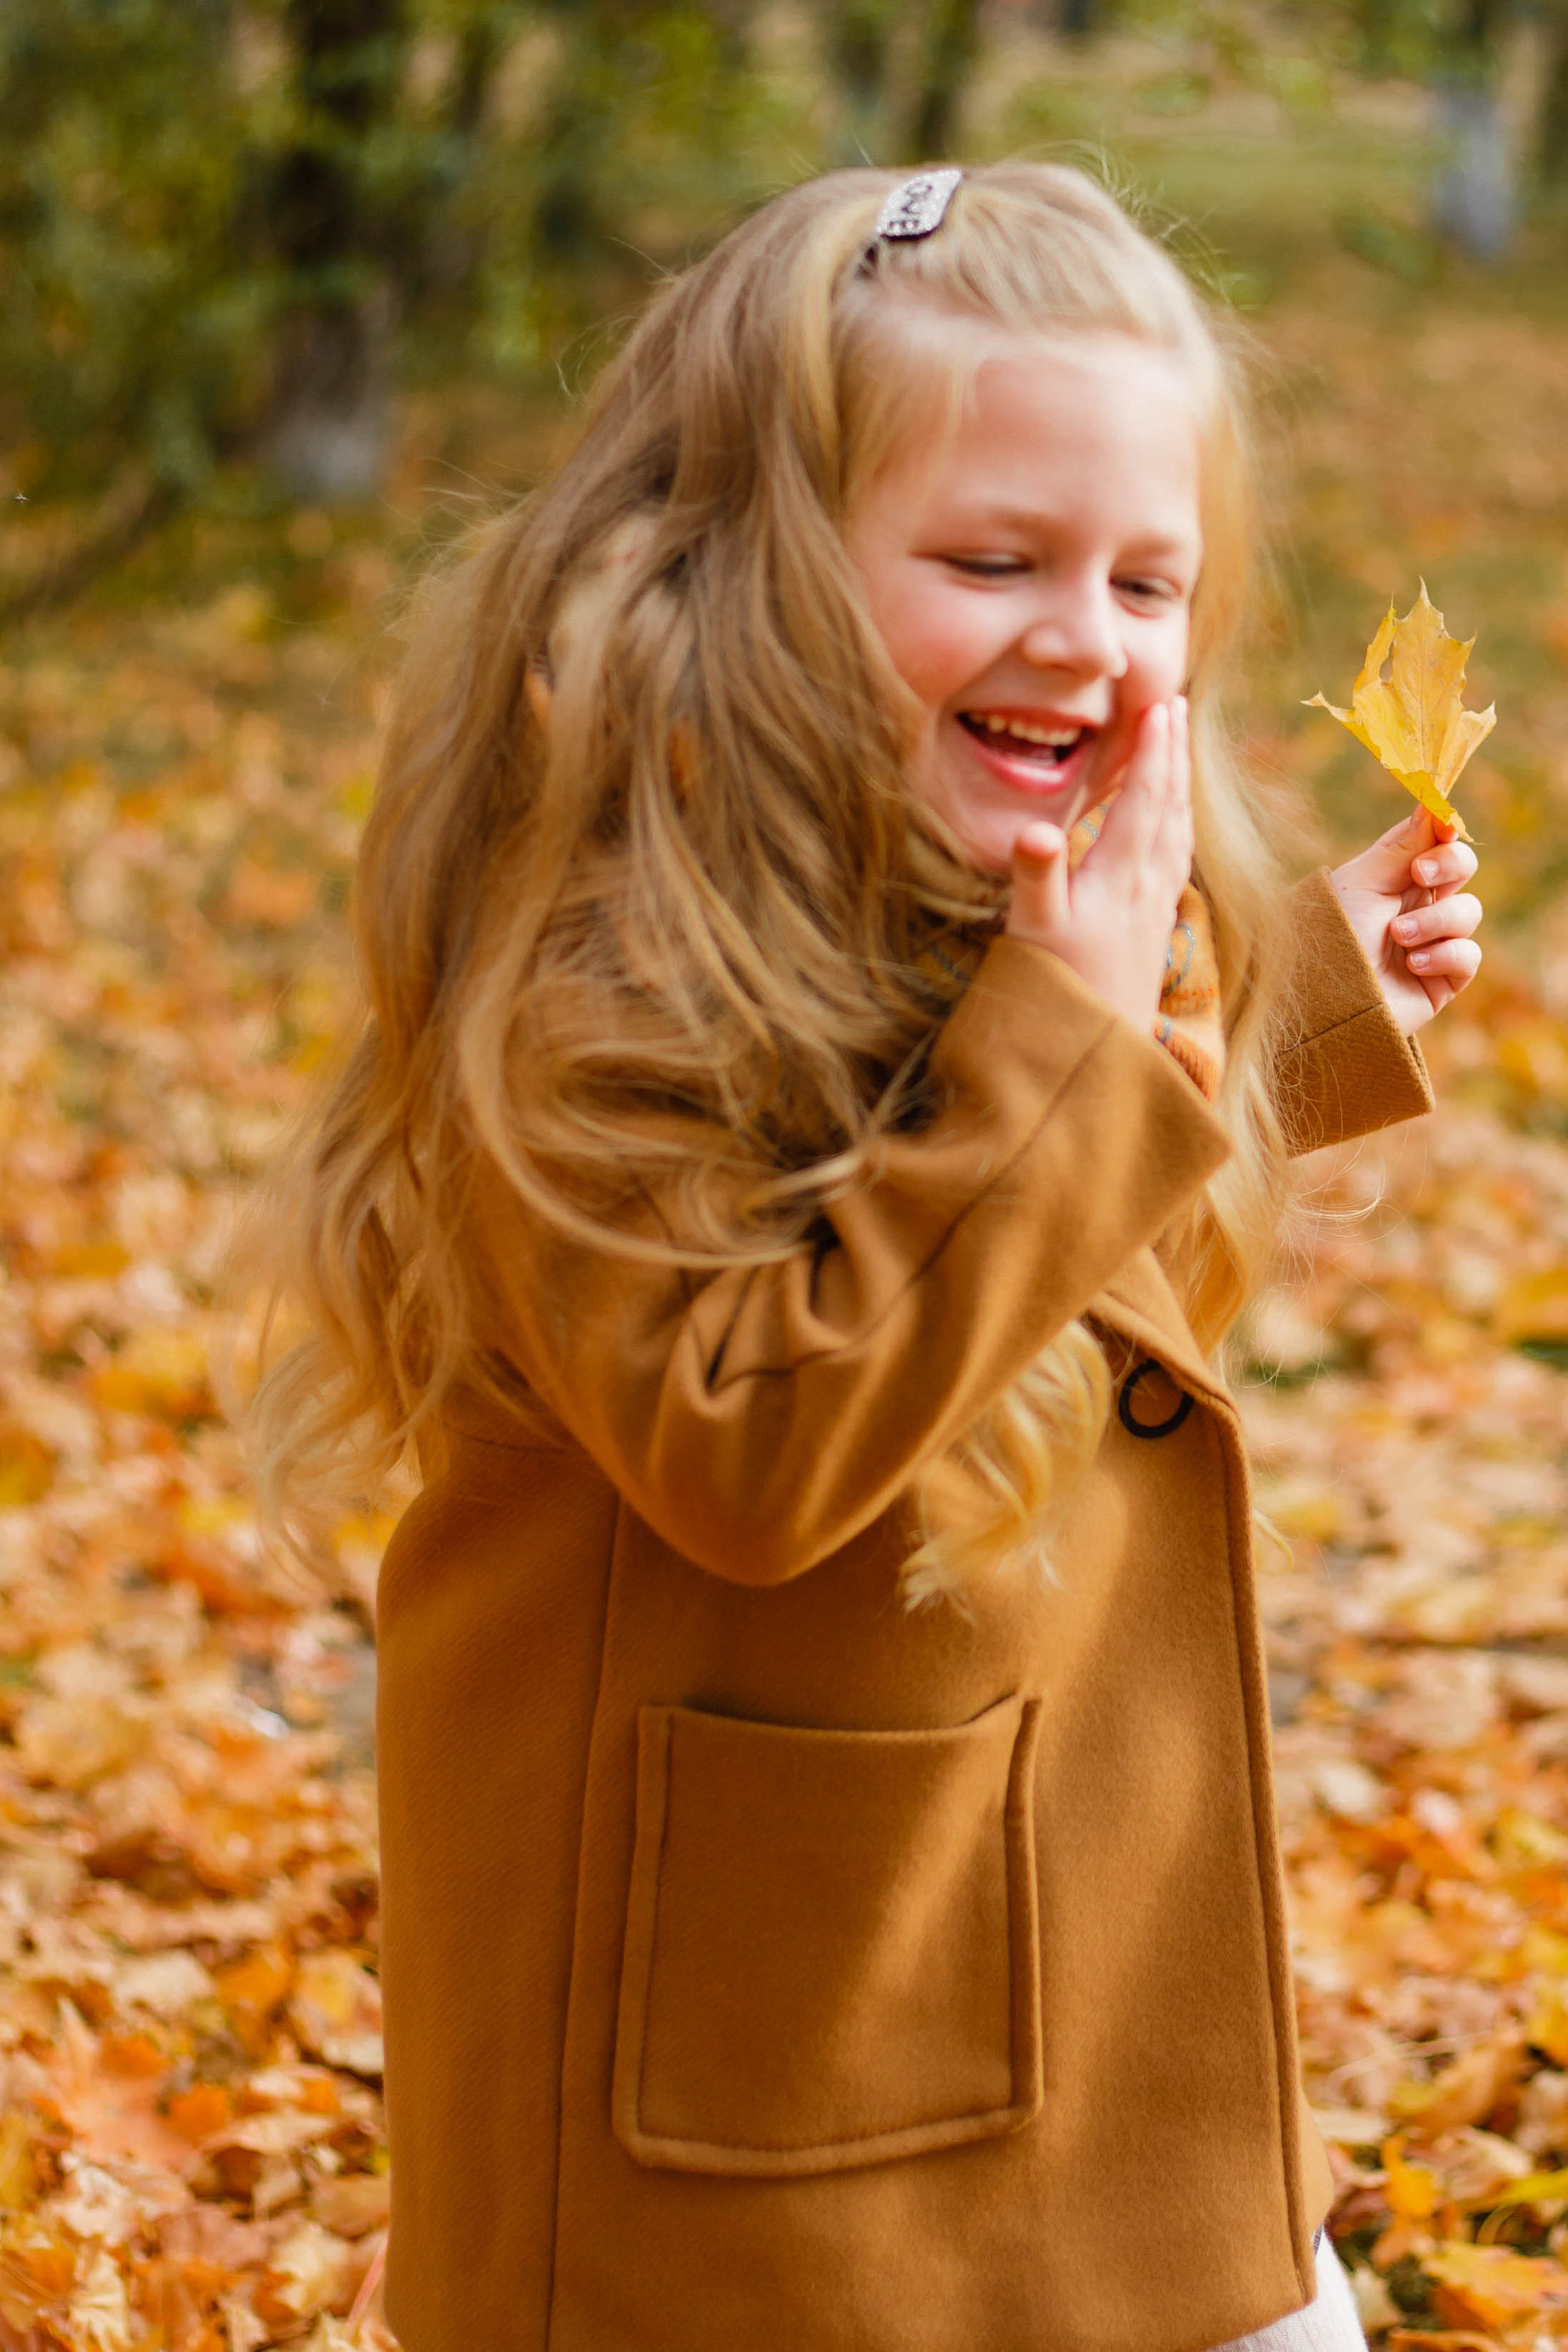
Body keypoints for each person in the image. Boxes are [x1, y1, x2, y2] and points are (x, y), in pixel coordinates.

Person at [248, 163, 1483, 2352]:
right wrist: (1077, 1026)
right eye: (991, 560)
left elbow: (1021, 1243)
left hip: (1046, 1981)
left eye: (1144, 581)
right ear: (743, 578)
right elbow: (757, 1426)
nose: (1082, 636)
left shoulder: (997, 910)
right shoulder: (608, 974)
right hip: (750, 2087)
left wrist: (1290, 1000)